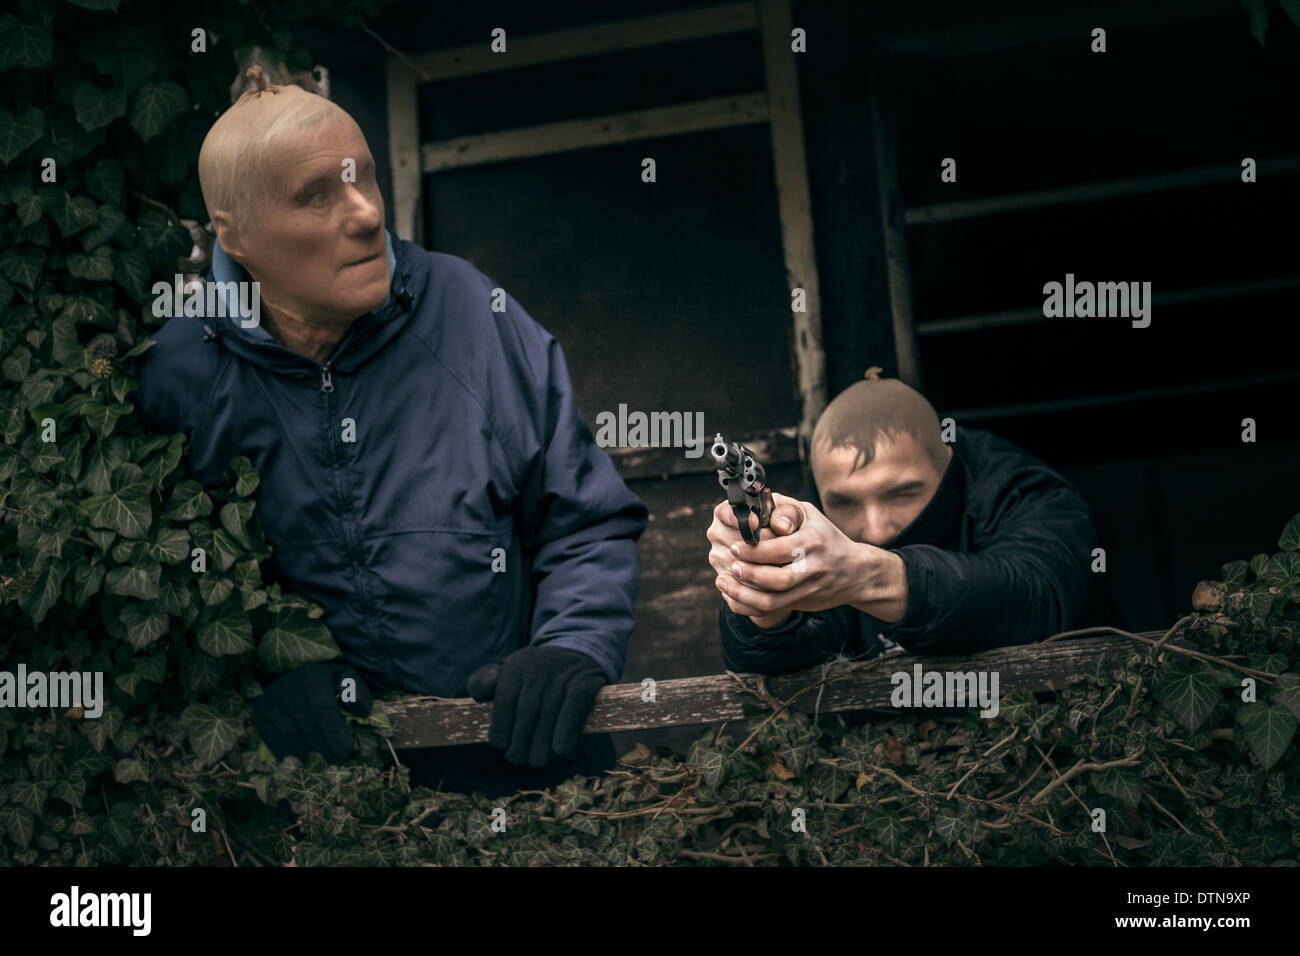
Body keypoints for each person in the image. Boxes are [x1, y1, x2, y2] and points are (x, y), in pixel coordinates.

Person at [136, 69, 648, 796]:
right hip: (331, 810)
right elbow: (174, 594)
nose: (368, 214)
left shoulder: (474, 313)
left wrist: (571, 647)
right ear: (235, 234)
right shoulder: (180, 372)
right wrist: (257, 679)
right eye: (319, 195)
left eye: (364, 179)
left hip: (539, 779)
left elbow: (585, 520)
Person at [709, 367, 1113, 673]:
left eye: (901, 493)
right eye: (846, 502)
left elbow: (1037, 598)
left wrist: (866, 576)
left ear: (950, 471)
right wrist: (767, 606)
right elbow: (775, 666)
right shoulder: (811, 514)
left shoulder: (1021, 491)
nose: (877, 527)